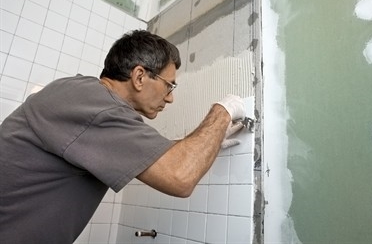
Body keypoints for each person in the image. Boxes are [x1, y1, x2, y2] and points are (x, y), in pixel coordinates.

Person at [0, 30, 245, 243]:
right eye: (169, 85)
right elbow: (180, 178)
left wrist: (206, 145)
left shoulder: (82, 95)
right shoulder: (99, 108)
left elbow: (145, 157)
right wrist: (222, 111)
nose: (170, 97)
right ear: (139, 77)